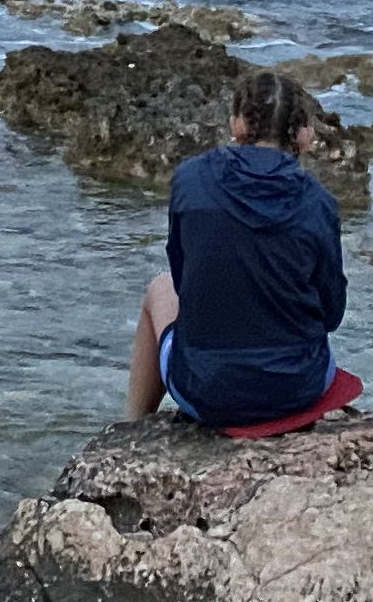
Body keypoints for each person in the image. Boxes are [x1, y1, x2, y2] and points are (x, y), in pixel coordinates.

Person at [129, 66, 350, 428]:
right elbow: (331, 314)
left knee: (160, 288)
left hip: (205, 390)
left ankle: (133, 427)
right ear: (304, 134)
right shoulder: (319, 203)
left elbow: (185, 282)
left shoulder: (190, 178)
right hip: (294, 390)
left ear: (237, 124)